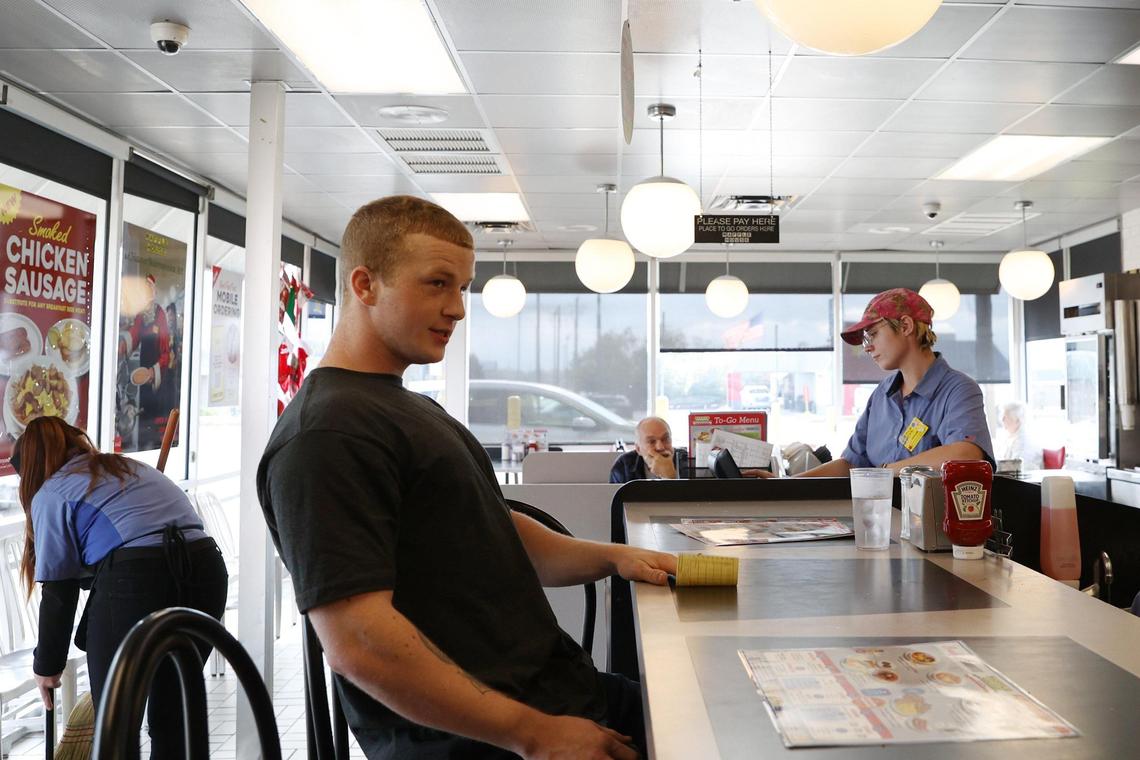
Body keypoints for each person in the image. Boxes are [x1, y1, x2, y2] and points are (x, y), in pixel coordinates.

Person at [257, 195, 676, 760]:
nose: (456, 308)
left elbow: (491, 531)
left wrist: (615, 556)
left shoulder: (405, 407)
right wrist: (536, 735)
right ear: (364, 285)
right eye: (437, 284)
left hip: (561, 697)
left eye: (462, 288)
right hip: (482, 740)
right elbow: (360, 642)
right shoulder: (327, 436)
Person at [14, 415, 228, 760]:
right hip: (205, 570)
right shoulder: (126, 468)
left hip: (136, 581)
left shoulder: (52, 493)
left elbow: (59, 592)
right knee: (172, 717)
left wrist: (47, 666)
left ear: (33, 467)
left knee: (117, 726)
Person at [764, 288, 993, 478]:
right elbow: (851, 465)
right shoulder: (881, 395)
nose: (867, 346)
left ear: (905, 326)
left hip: (931, 525)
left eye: (872, 334)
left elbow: (966, 454)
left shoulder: (958, 389)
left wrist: (884, 473)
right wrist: (786, 484)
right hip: (877, 520)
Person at [610, 416, 688, 483]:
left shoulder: (687, 461)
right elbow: (614, 499)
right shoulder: (624, 465)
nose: (660, 447)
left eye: (666, 439)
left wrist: (669, 478)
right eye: (652, 441)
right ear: (638, 449)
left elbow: (693, 499)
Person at [995, 401, 1042, 469]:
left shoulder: (1024, 440)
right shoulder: (1011, 437)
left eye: (1005, 417)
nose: (1002, 420)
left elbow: (1016, 466)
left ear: (1017, 420)